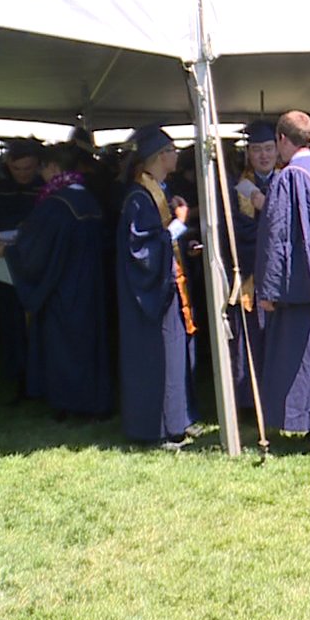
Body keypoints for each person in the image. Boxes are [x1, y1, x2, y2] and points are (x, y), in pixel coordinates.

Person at [0, 143, 111, 419]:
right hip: (90, 284)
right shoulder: (86, 198)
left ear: (52, 167)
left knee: (65, 346)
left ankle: (71, 405)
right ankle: (94, 401)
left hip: (63, 287)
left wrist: (8, 250)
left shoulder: (56, 204)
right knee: (88, 345)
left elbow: (35, 250)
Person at [256, 110, 310, 456]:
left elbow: (277, 238)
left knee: (302, 362)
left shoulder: (290, 179)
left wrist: (270, 290)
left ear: (281, 139)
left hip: (299, 293)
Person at [114, 125, 199, 448]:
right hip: (149, 296)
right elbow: (143, 250)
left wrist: (184, 243)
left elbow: (161, 240)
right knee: (159, 359)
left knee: (176, 355)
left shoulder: (158, 190)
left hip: (168, 288)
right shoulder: (138, 196)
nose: (177, 155)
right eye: (172, 151)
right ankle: (157, 429)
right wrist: (178, 222)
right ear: (159, 156)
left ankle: (179, 420)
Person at [225, 119, 277, 409]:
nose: (264, 155)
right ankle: (249, 401)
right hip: (250, 277)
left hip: (281, 280)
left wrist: (266, 211)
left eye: (268, 148)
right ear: (248, 153)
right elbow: (237, 233)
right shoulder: (239, 188)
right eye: (257, 149)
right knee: (250, 340)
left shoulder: (288, 180)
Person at [0, 140, 42, 402]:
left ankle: (34, 377)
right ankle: (17, 377)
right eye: (17, 169)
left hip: (33, 264)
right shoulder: (1, 189)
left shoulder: (45, 189)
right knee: (10, 322)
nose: (23, 174)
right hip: (3, 264)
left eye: (28, 168)